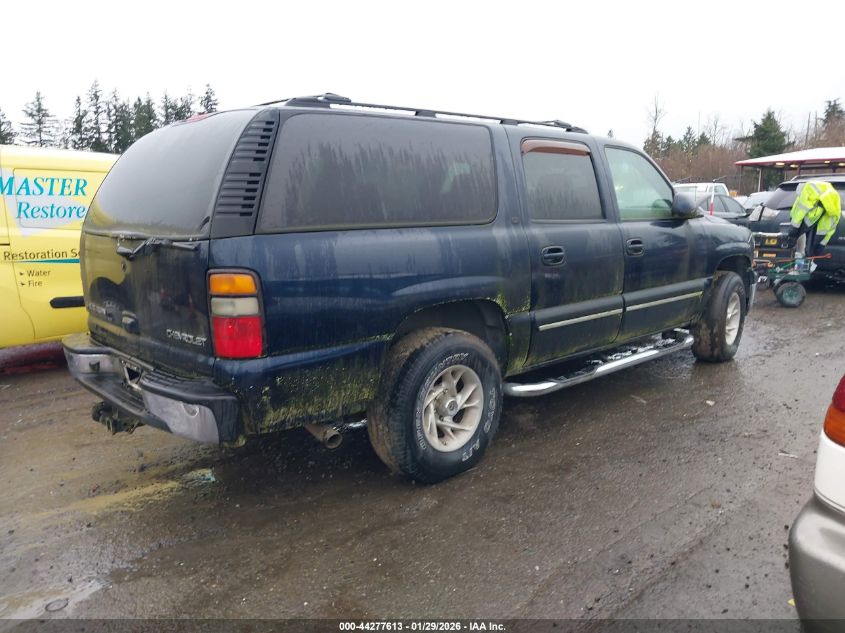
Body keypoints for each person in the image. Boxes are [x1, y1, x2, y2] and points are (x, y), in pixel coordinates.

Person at [789, 180, 842, 257]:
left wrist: (793, 230)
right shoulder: (834, 202)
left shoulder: (807, 191)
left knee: (804, 252)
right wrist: (822, 244)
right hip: (813, 227)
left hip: (808, 225)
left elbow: (800, 212)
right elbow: (831, 228)